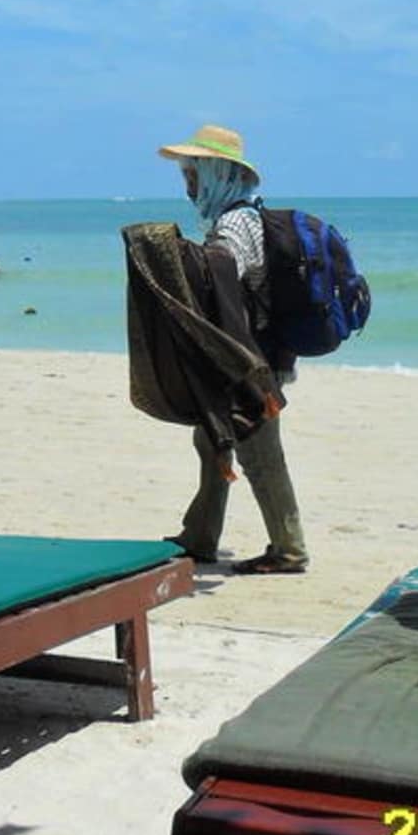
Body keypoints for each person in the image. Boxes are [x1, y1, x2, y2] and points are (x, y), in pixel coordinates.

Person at [157, 124, 308, 575]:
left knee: (260, 455)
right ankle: (200, 535)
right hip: (244, 356)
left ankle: (289, 549)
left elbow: (223, 271)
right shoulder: (242, 216)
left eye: (193, 174)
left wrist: (180, 260)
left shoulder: (235, 223)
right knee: (210, 440)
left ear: (217, 174)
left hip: (250, 362)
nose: (188, 185)